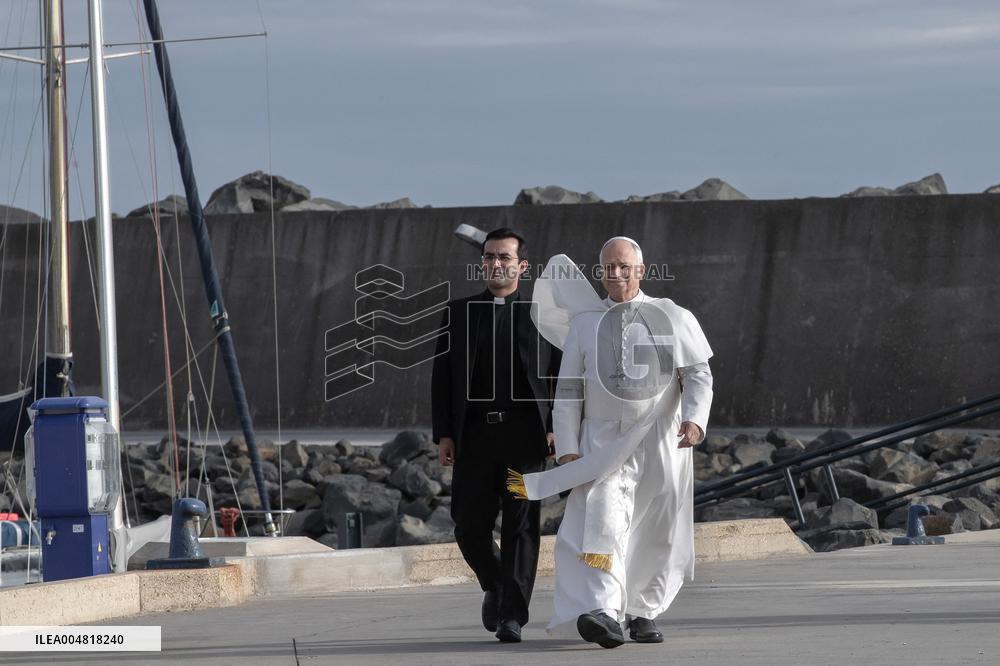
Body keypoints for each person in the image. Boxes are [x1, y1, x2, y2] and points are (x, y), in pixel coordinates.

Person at [507, 237, 713, 648]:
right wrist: (567, 446)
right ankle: (603, 611)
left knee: (657, 528)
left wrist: (694, 420)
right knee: (596, 521)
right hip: (599, 442)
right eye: (607, 268)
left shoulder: (673, 315)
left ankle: (643, 611)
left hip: (661, 440)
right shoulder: (584, 323)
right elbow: (568, 391)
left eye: (623, 266)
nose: (615, 274)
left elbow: (698, 374)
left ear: (641, 270)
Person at [432, 227, 561, 643]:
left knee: (520, 529)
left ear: (522, 265)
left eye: (504, 257)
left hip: (526, 440)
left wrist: (560, 428)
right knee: (468, 526)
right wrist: (444, 435)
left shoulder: (546, 314)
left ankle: (512, 617)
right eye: (489, 257)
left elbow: (560, 378)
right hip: (475, 439)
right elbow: (441, 380)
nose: (495, 263)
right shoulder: (458, 313)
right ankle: (497, 584)